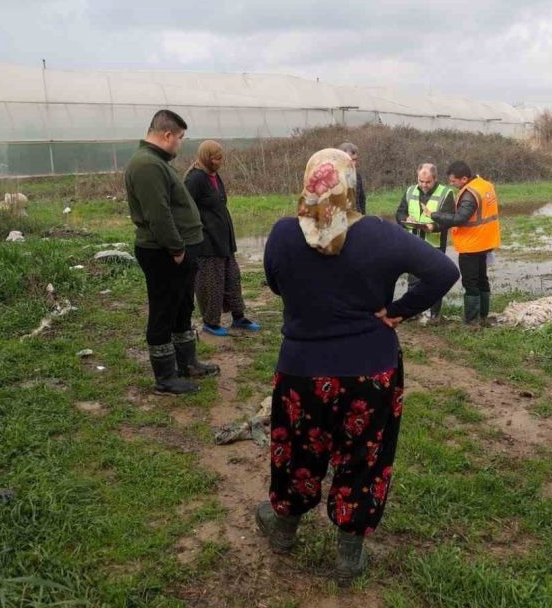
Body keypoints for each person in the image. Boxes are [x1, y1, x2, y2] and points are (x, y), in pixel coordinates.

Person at [257, 148, 458, 586]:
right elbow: (443, 271)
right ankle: (349, 554)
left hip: (302, 369)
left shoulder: (283, 234)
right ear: (352, 183)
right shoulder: (381, 234)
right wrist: (400, 310)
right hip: (371, 369)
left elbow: (275, 283)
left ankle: (284, 528)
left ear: (308, 181)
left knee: (296, 451)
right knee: (365, 454)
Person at [125, 110, 220, 395]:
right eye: (179, 138)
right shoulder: (147, 165)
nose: (180, 144)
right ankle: (165, 377)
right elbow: (159, 214)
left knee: (181, 307)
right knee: (164, 310)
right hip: (163, 252)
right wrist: (177, 248)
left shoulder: (157, 162)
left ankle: (187, 363)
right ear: (166, 135)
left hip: (178, 250)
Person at [183, 140, 261, 337]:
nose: (220, 162)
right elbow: (185, 210)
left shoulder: (214, 176)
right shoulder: (194, 179)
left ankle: (239, 317)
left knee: (232, 277)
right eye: (216, 158)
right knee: (211, 281)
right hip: (207, 243)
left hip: (224, 240)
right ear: (206, 158)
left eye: (221, 158)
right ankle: (210, 321)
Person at [430, 161, 501, 326]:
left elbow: (460, 219)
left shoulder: (469, 194)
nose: (451, 183)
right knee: (482, 279)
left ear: (463, 179)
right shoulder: (485, 185)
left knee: (471, 283)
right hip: (485, 240)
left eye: (453, 181)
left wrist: (436, 215)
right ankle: (483, 317)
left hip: (471, 243)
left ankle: (471, 321)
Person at [395, 162, 453, 321]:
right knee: (413, 280)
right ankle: (412, 313)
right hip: (413, 241)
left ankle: (434, 315)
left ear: (435, 178)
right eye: (421, 181)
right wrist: (405, 219)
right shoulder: (410, 191)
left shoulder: (446, 193)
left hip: (434, 243)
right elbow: (399, 212)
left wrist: (433, 226)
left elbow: (448, 220)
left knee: (435, 279)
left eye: (428, 182)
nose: (424, 185)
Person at [338, 142, 367, 214]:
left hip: (356, 217)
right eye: (350, 160)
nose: (353, 163)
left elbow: (361, 200)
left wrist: (362, 217)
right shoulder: (333, 177)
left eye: (355, 160)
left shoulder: (357, 176)